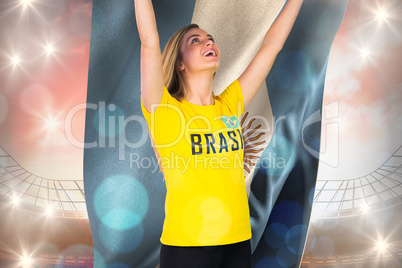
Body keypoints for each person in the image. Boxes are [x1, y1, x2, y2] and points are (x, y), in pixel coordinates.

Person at [134, 0, 303, 267]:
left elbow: (272, 47)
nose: (208, 42)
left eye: (210, 39)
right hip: (187, 245)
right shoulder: (164, 109)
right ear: (179, 64)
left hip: (237, 240)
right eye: (195, 41)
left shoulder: (230, 105)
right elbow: (149, 41)